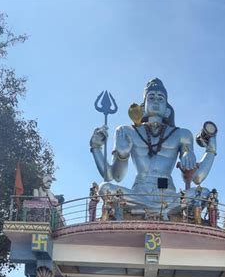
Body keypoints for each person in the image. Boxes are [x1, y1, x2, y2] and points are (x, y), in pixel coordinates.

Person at [90, 78, 217, 218]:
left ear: (167, 109)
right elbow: (114, 176)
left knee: (202, 193)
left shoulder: (182, 134)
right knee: (105, 188)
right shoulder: (127, 131)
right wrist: (103, 149)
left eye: (160, 98)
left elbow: (197, 178)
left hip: (169, 195)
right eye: (151, 97)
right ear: (143, 106)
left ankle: (151, 209)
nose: (156, 100)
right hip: (139, 193)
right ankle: (161, 210)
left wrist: (210, 148)